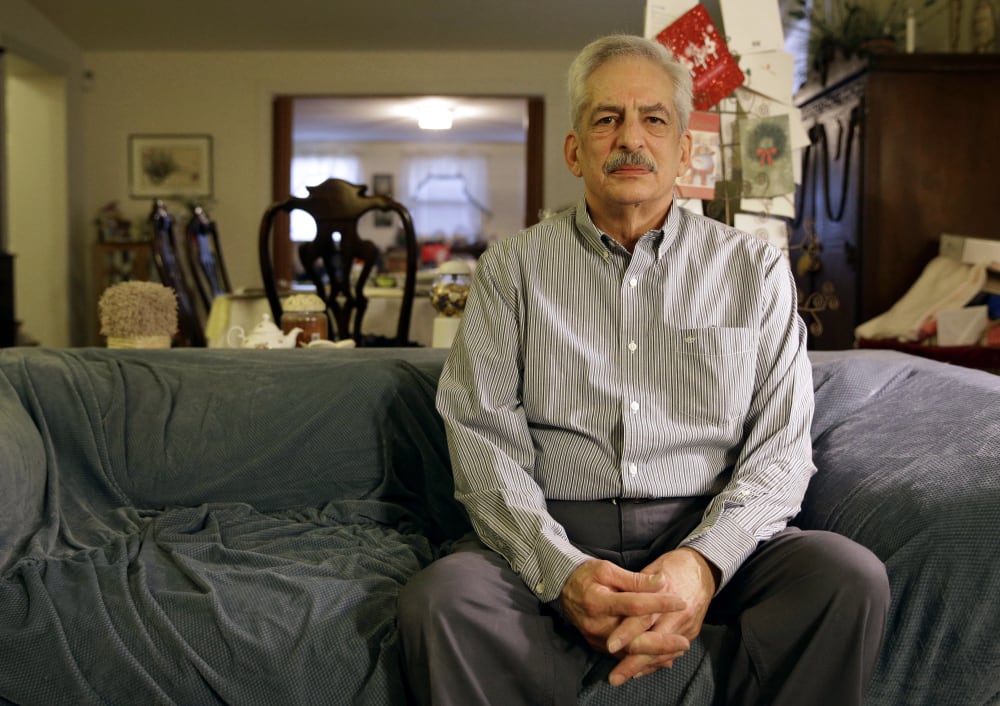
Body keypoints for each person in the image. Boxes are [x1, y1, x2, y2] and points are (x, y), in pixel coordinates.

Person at [398, 34, 889, 706]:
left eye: (654, 119)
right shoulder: (512, 269)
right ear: (575, 151)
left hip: (706, 523)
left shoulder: (754, 270)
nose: (631, 138)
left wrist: (703, 564)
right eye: (607, 119)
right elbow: (481, 440)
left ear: (685, 152)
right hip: (556, 525)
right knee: (441, 600)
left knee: (846, 577)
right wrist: (562, 572)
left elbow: (781, 450)